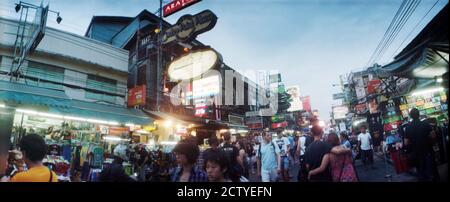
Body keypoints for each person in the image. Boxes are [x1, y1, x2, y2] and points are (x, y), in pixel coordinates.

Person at [404, 108, 437, 182]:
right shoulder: (425, 124)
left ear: (410, 116)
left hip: (416, 153)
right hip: (427, 151)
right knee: (429, 169)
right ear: (419, 115)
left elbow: (406, 142)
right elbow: (433, 135)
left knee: (420, 171)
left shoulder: (408, 127)